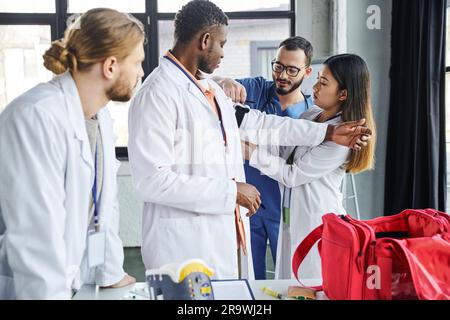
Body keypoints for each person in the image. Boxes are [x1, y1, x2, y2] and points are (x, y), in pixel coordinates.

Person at [128, 0, 371, 280]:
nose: (222, 53)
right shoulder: (157, 94)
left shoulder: (208, 89)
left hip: (221, 232)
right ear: (205, 41)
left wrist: (326, 132)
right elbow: (151, 181)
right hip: (183, 241)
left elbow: (261, 123)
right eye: (222, 43)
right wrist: (233, 191)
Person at [0, 8, 144, 299]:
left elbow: (103, 207)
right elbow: (35, 244)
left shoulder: (98, 118)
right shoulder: (35, 116)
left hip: (73, 282)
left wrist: (109, 272)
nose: (142, 72)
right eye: (138, 62)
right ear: (111, 66)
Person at [243, 53, 376, 279]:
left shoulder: (344, 137)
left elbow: (292, 174)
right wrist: (248, 141)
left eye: (323, 83)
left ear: (343, 93)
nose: (314, 87)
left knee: (309, 285)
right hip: (291, 219)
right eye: (317, 79)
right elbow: (285, 149)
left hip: (317, 226)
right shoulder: (313, 114)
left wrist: (249, 151)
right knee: (287, 285)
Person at [214, 36, 314, 279]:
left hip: (284, 209)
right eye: (278, 66)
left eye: (292, 69)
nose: (282, 75)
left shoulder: (311, 115)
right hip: (246, 205)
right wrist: (225, 80)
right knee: (249, 277)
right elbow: (208, 85)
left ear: (307, 72)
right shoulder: (256, 88)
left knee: (289, 277)